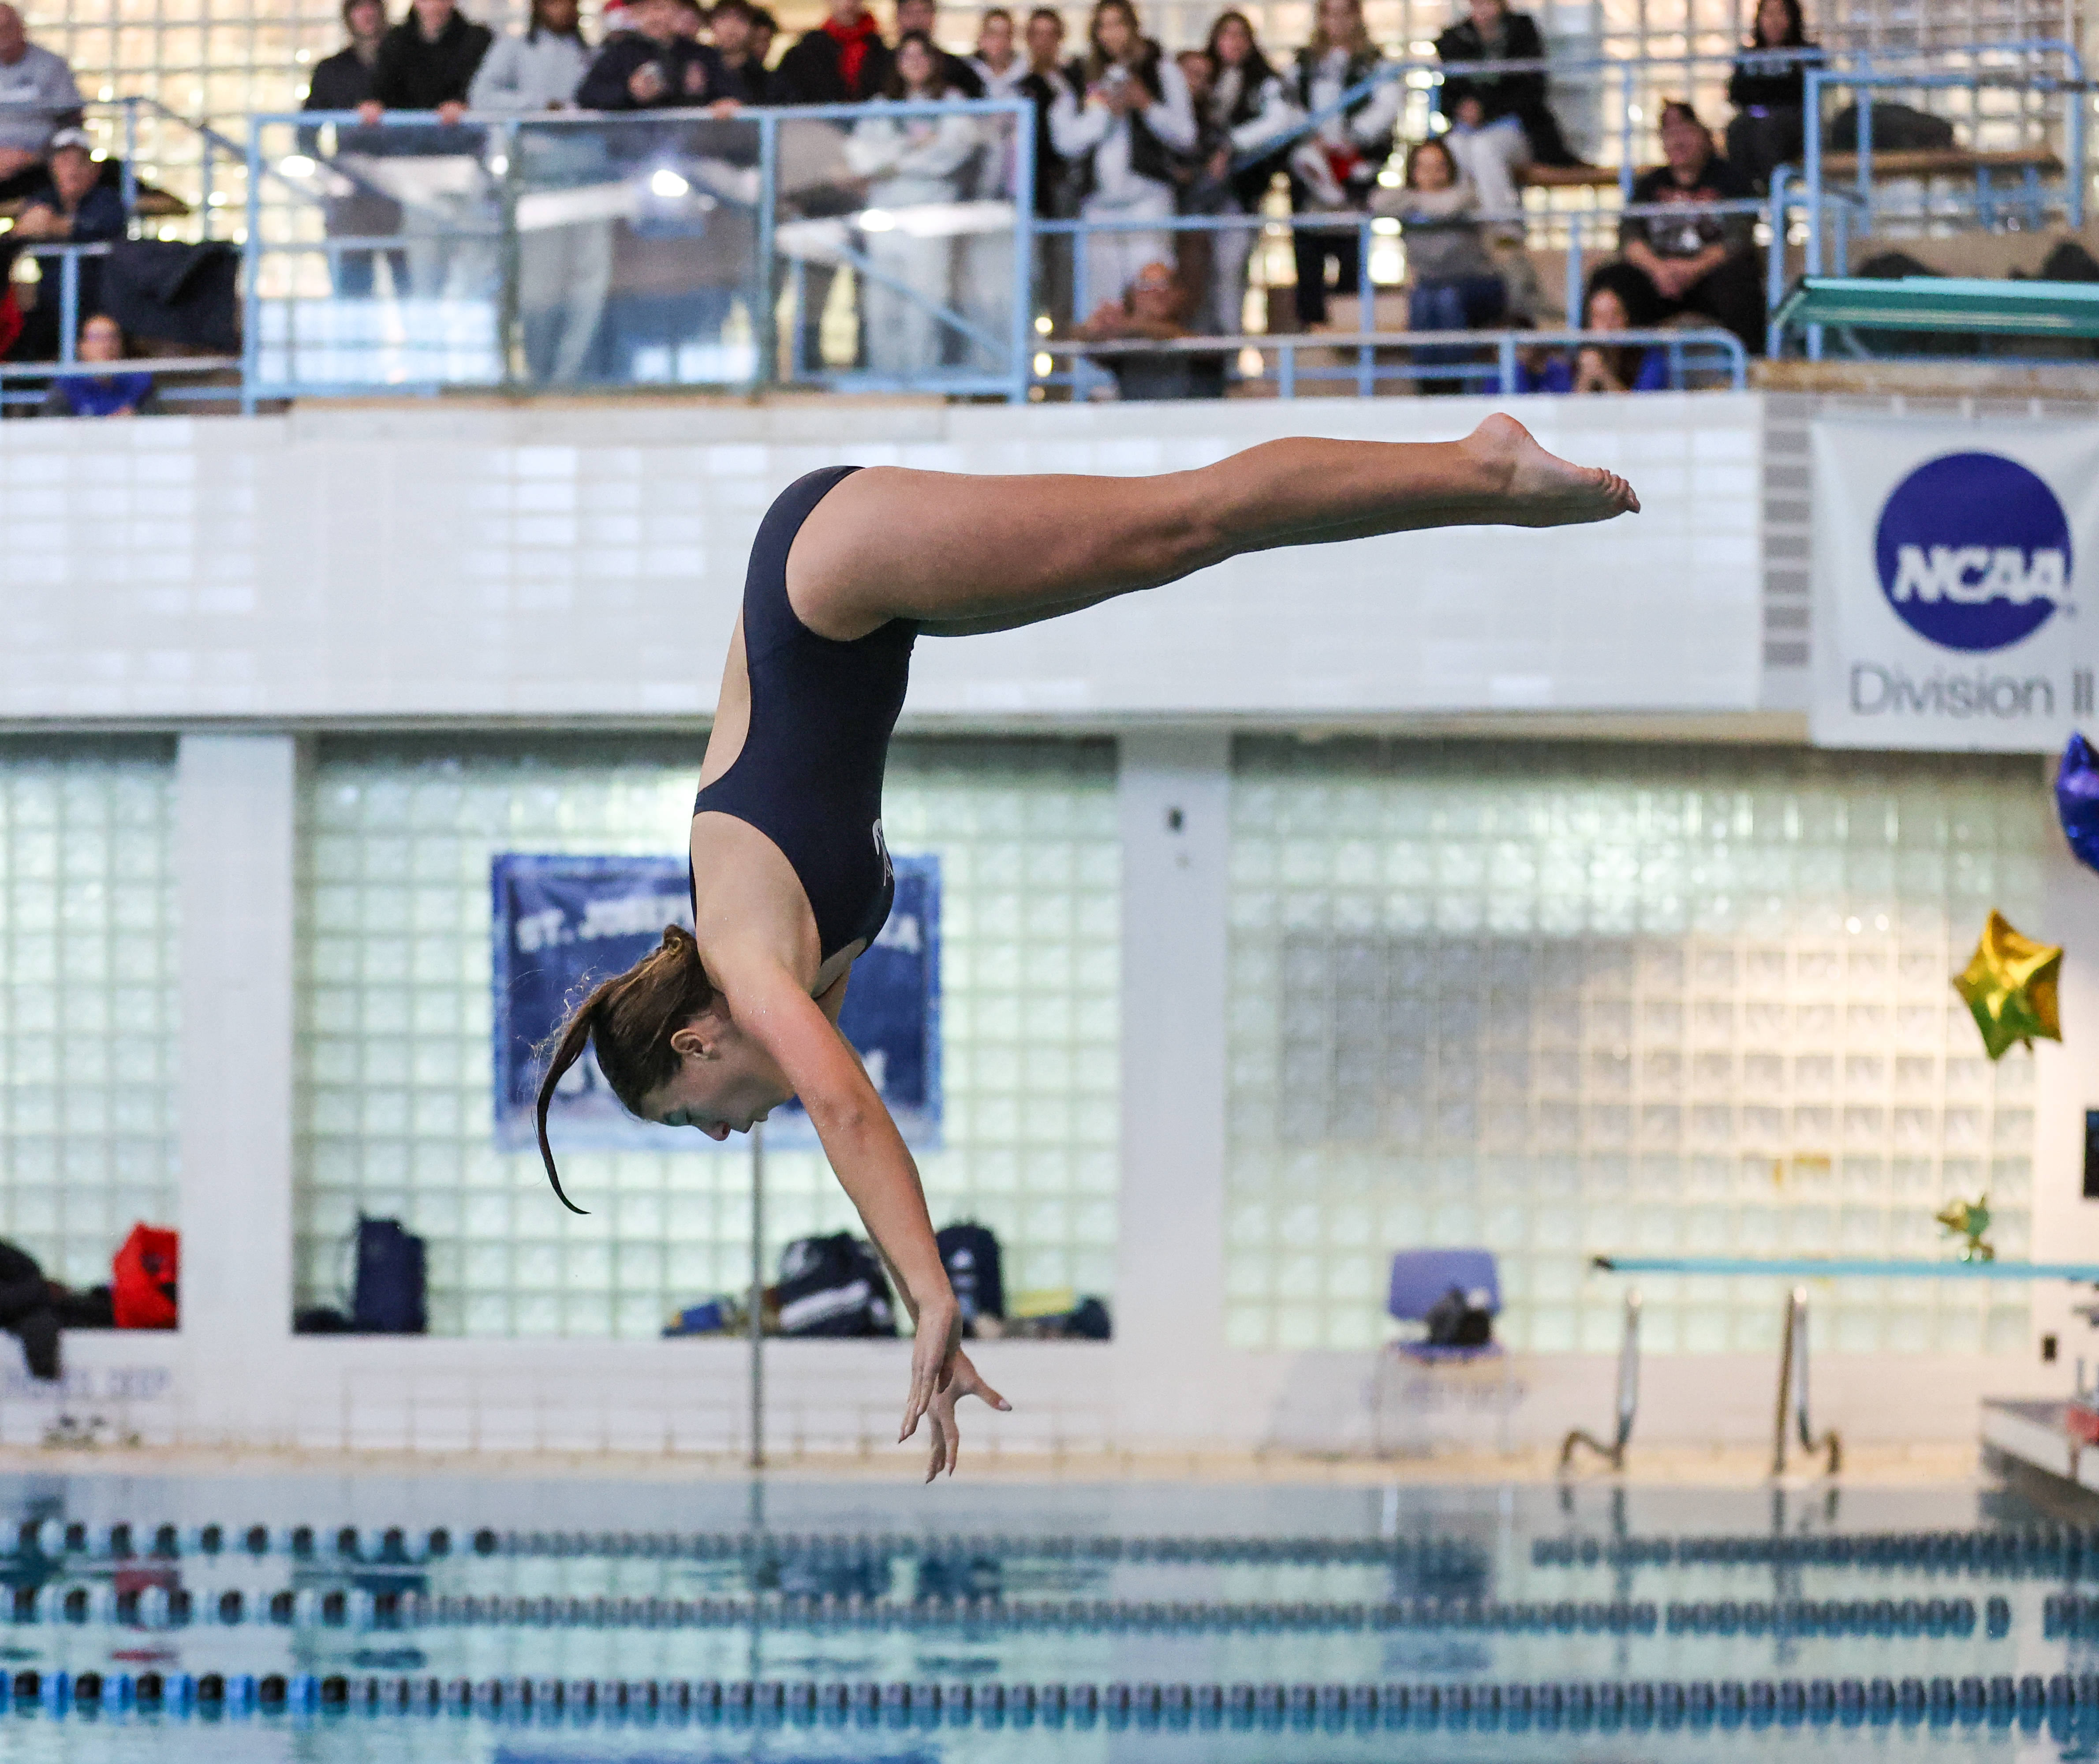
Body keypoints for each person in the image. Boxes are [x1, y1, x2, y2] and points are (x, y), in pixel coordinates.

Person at [533, 415, 1639, 1477]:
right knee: (1171, 539)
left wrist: (931, 1299)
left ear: (693, 1039)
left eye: (693, 1117)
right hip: (855, 604)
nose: (725, 1135)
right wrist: (918, 1290)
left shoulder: (749, 958)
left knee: (1179, 525)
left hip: (827, 573)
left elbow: (850, 1113)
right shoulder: (801, 975)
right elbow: (853, 1138)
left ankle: (1484, 469)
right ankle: (1477, 475)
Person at [469, 0, 605, 383]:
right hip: (538, 186)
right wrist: (540, 107)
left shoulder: (592, 55)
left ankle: (571, 374)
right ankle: (539, 371)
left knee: (588, 285)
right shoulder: (514, 49)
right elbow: (483, 96)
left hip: (590, 182)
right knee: (540, 288)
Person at [845, 31, 979, 378]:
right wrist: (913, 148)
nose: (915, 63)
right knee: (882, 306)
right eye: (907, 56)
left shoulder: (953, 101)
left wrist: (893, 161)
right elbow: (862, 159)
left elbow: (950, 156)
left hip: (931, 214)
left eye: (923, 55)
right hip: (885, 216)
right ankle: (885, 381)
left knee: (926, 304)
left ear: (935, 61)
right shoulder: (880, 105)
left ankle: (924, 381)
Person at [1050, 0, 1195, 316]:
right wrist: (1103, 113)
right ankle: (1097, 367)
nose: (1112, 34)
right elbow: (1066, 142)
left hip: (1148, 202)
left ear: (1133, 27)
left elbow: (1186, 136)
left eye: (1119, 24)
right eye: (1104, 25)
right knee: (1100, 305)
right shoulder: (1077, 76)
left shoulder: (1161, 69)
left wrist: (1145, 104)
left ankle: (1148, 367)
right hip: (1098, 205)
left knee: (1151, 299)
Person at [359, 0, 495, 298]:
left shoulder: (477, 39)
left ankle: (470, 331)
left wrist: (464, 106)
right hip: (416, 168)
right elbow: (382, 91)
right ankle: (430, 333)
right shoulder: (397, 43)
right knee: (425, 264)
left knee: (476, 258)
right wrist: (375, 105)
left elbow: (485, 89)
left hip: (466, 164)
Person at [1619, 98, 1764, 354]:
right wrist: (1658, 270)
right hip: (1659, 277)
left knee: (1741, 286)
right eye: (1669, 134)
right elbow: (1629, 236)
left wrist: (1692, 269)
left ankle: (1752, 367)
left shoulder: (1732, 181)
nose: (1678, 141)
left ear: (1705, 136)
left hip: (1713, 275)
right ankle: (1604, 368)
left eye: (1685, 131)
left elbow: (1739, 239)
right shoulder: (1649, 185)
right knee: (1614, 282)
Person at [1285, 0, 1395, 328]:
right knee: (1308, 256)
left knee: (1351, 256)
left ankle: (1349, 328)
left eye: (1344, 13)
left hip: (1354, 169)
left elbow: (1387, 107)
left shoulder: (1374, 63)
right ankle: (1312, 326)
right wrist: (1309, 137)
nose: (1337, 22)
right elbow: (1287, 104)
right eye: (1330, 13)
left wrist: (1354, 138)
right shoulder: (1303, 64)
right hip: (1312, 173)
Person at [1191, 10, 1296, 336]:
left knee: (1230, 270)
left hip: (1239, 192)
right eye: (1227, 35)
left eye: (1241, 36)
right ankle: (1200, 349)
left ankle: (1229, 348)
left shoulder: (1265, 82)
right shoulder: (1201, 75)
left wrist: (1231, 146)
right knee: (1196, 272)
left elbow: (1279, 121)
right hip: (1195, 191)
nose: (1233, 44)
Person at [1372, 134, 1501, 391]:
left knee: (1446, 298)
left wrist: (1414, 201)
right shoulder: (1408, 199)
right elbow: (1378, 204)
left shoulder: (1466, 196)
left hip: (1479, 286)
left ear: (1450, 169)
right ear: (1412, 171)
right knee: (1422, 298)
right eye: (1423, 167)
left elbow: (1447, 208)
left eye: (1439, 167)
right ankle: (1428, 386)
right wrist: (1419, 198)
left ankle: (1451, 386)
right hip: (1430, 287)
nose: (1431, 174)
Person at [303, 0, 410, 299]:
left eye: (372, 7)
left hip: (401, 187)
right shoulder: (332, 70)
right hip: (353, 189)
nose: (367, 15)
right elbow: (305, 133)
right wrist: (333, 173)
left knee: (409, 283)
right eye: (358, 8)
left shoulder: (407, 65)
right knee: (353, 284)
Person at [9, 127, 127, 360]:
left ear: (95, 170)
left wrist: (53, 225)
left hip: (101, 305)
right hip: (51, 307)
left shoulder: (108, 200)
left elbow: (102, 225)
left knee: (101, 338)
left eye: (80, 162)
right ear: (53, 167)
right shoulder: (43, 198)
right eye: (64, 161)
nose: (72, 170)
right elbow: (21, 231)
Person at [1434, 0, 1581, 176]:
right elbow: (1447, 93)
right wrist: (1462, 109)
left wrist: (1484, 109)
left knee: (1484, 148)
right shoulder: (1456, 39)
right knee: (1454, 149)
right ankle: (1472, 203)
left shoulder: (1521, 33)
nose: (1484, 11)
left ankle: (1498, 205)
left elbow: (1531, 91)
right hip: (1469, 128)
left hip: (1517, 128)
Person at [1070, 255, 1222, 398]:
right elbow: (1080, 340)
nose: (1156, 292)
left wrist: (1130, 325)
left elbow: (1210, 350)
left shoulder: (1202, 322)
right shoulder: (1126, 337)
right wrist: (1098, 326)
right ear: (1134, 296)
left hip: (1193, 420)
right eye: (1146, 285)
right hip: (1136, 421)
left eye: (1164, 283)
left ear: (1179, 294)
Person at [1726, 0, 1821, 193]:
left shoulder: (1807, 54)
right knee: (1737, 129)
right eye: (1768, 15)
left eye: (1781, 14)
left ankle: (1776, 198)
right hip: (1755, 122)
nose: (1774, 21)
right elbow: (1738, 93)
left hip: (1794, 124)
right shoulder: (1748, 55)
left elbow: (1801, 92)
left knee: (1768, 131)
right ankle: (1748, 198)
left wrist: (1767, 90)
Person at [0, 3, 82, 193]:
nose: (3, 35)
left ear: (22, 28)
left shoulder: (52, 66)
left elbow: (71, 122)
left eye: (8, 27)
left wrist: (36, 156)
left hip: (40, 165)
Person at [38, 312, 160, 415]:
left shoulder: (139, 382)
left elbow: (156, 430)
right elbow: (52, 432)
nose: (106, 346)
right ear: (82, 346)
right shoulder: (66, 386)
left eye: (112, 337)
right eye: (96, 338)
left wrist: (136, 419)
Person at [896, 0, 982, 95]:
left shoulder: (958, 70)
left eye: (923, 12)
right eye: (909, 12)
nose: (917, 19)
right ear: (897, 15)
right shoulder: (880, 65)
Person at [708, 0, 771, 103]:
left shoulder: (767, 80)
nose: (732, 26)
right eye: (724, 17)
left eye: (741, 19)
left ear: (752, 27)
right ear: (711, 24)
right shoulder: (701, 71)